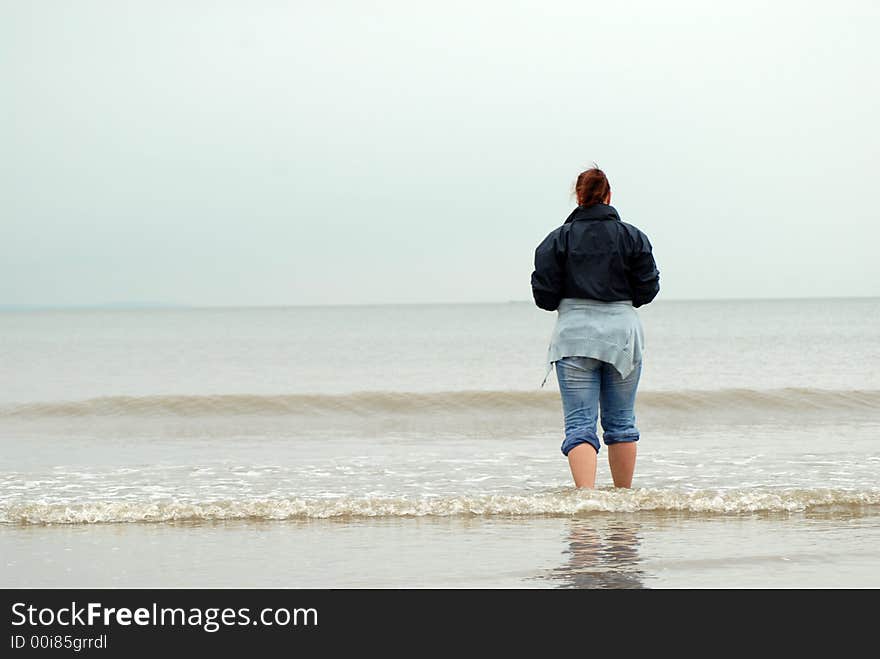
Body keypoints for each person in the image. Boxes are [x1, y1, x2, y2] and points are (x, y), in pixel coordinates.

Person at [531, 167, 660, 489]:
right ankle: (622, 500)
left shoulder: (556, 240)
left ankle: (587, 503)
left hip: (574, 336)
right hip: (622, 334)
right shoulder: (634, 237)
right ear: (609, 195)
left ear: (578, 197)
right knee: (621, 423)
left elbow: (544, 298)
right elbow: (647, 290)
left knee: (579, 426)